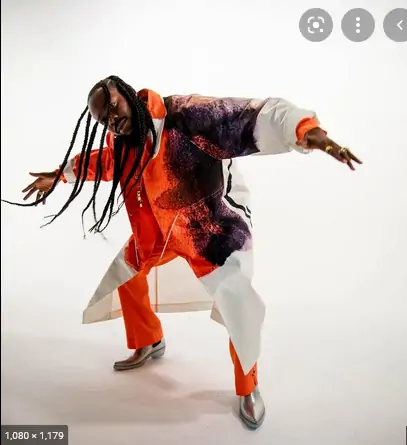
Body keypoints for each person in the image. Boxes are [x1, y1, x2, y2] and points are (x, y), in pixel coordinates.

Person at [3, 75, 362, 429]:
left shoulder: (187, 116)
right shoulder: (123, 142)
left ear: (127, 93)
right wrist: (61, 174)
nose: (111, 120)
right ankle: (149, 341)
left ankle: (248, 388)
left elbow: (252, 115)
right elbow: (104, 161)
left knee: (240, 309)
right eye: (103, 119)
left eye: (112, 106)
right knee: (126, 274)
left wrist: (305, 129)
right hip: (158, 236)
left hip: (211, 235)